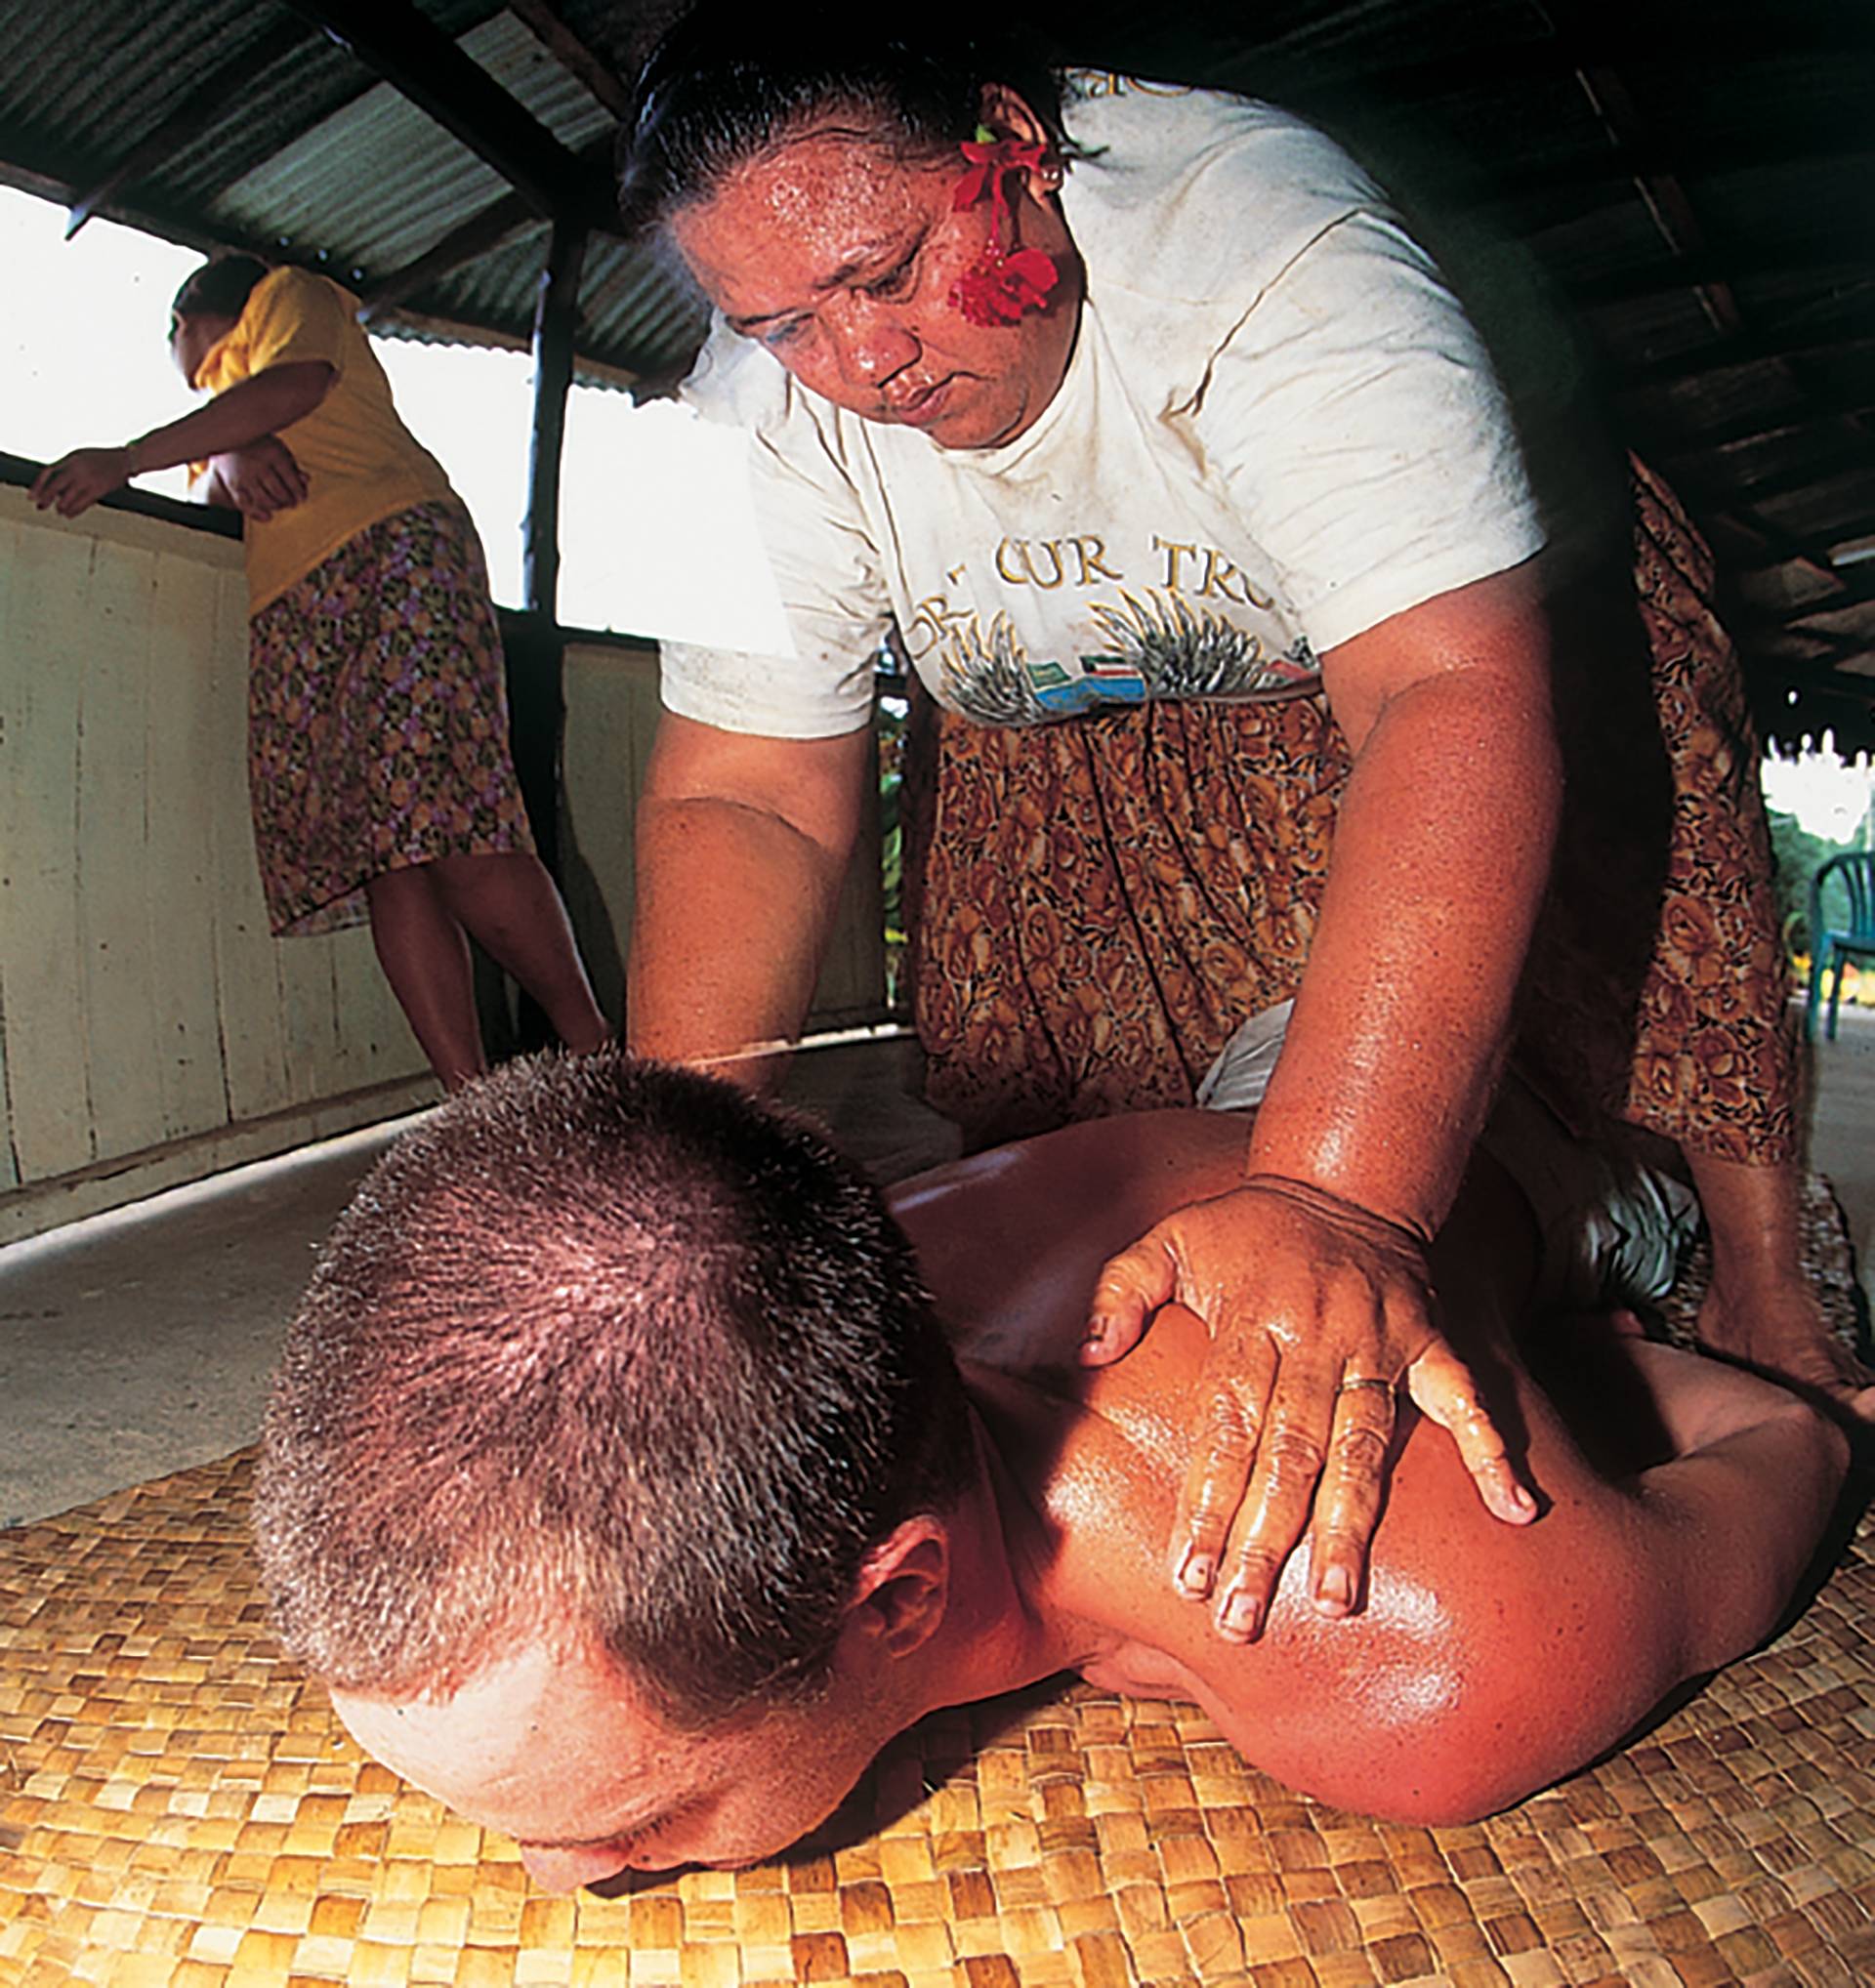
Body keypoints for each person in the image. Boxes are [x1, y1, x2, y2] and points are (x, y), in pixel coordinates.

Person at [608, 7, 1870, 1643]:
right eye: (782, 320)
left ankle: (1756, 1266)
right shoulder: (748, 408)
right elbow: (743, 790)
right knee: (1150, 1246)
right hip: (1072, 720)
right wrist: (661, 1197)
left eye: (889, 271)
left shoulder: (1264, 242)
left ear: (1013, 143)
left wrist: (1342, 1204)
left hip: (1438, 649)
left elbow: (1443, 694)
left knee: (1415, 1119)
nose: (863, 367)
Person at [252, 1049, 1853, 1891]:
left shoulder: (1426, 1645)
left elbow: (1796, 1436)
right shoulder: (759, 1273)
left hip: (1522, 1131)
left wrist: (1591, 1373)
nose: (557, 1880)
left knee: (1636, 1217)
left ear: (902, 1597)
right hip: (1242, 1075)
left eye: (640, 1820)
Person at [29, 255, 609, 1089]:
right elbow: (218, 495)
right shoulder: (216, 419)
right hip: (302, 607)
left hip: (393, 551)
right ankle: (470, 1101)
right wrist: (231, 456)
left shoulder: (285, 297)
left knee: (448, 818)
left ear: (193, 314)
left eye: (172, 333)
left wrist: (128, 457)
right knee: (381, 857)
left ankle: (594, 1047)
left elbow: (298, 383)